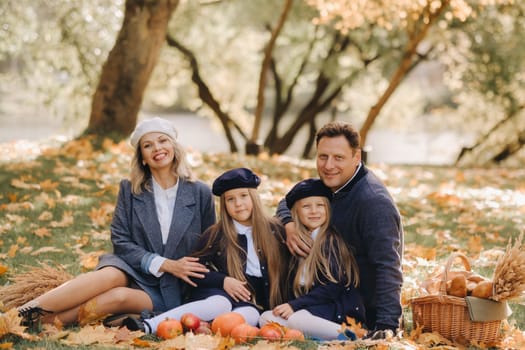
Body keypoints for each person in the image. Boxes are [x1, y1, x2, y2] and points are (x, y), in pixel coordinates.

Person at [17, 117, 216, 327]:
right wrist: (164, 264)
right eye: (148, 145)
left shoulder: (200, 192)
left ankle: (34, 322)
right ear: (143, 158)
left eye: (162, 141)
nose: (157, 148)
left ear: (174, 147)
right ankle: (22, 313)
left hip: (174, 285)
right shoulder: (130, 189)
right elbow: (120, 240)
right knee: (108, 276)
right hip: (132, 267)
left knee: (118, 297)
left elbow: (210, 246)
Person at [123, 167, 290, 334]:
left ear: (254, 196)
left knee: (249, 316)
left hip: (253, 303)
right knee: (220, 304)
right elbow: (193, 270)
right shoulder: (217, 233)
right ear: (224, 205)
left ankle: (203, 329)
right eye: (230, 199)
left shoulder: (275, 230)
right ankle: (150, 324)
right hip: (219, 293)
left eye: (243, 196)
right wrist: (223, 281)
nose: (238, 204)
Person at [276, 121, 404, 337]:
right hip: (319, 290)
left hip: (354, 305)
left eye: (338, 158)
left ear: (356, 157)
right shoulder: (331, 184)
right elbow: (286, 202)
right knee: (270, 228)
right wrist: (288, 224)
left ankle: (346, 333)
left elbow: (388, 265)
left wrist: (386, 325)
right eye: (323, 157)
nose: (328, 165)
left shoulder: (373, 202)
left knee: (286, 321)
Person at [260, 178, 365, 340]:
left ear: (328, 210)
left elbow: (333, 287)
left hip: (339, 309)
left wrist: (294, 306)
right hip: (314, 308)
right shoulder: (298, 242)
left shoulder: (330, 241)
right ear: (296, 213)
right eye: (306, 206)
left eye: (320, 205)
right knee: (267, 317)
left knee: (297, 318)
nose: (314, 211)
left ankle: (355, 337)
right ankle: (312, 336)